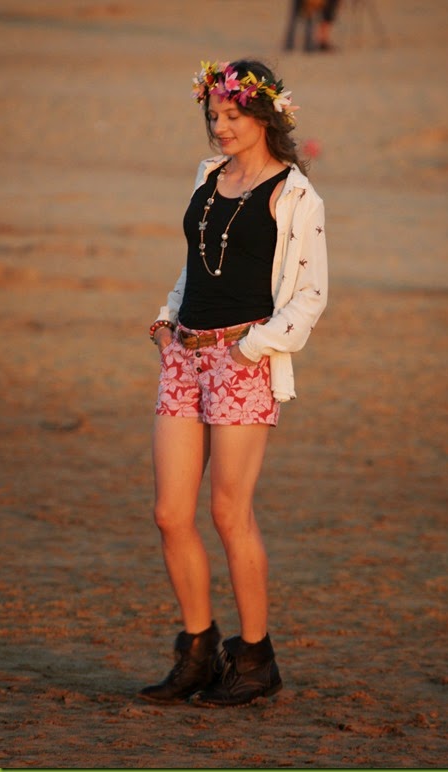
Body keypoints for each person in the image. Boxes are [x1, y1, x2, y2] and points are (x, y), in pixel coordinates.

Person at [138, 59, 328, 708]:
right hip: (184, 356)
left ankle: (255, 658)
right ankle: (198, 652)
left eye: (233, 115)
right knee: (170, 514)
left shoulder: (296, 195)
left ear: (264, 116)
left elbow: (310, 295)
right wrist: (166, 321)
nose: (220, 127)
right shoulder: (207, 175)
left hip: (244, 361)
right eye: (213, 115)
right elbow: (197, 264)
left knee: (227, 512)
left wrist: (251, 348)